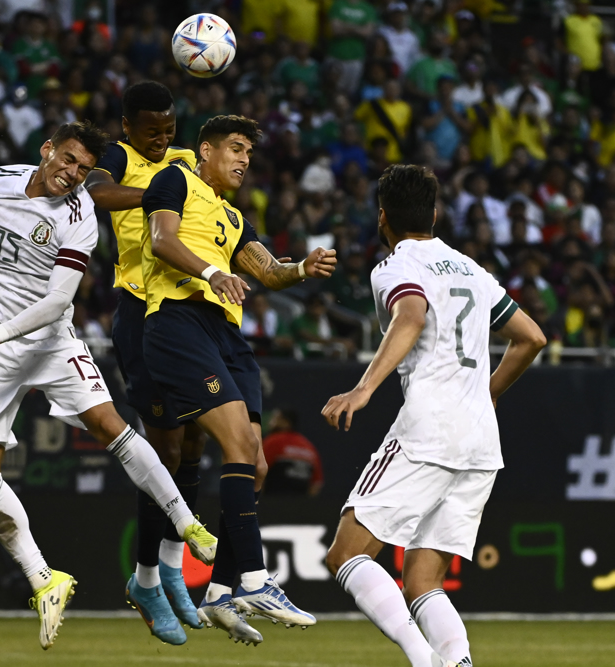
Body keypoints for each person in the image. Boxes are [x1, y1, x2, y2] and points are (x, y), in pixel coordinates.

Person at [0, 121, 216, 650]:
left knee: (108, 423)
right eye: (67, 160)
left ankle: (186, 521)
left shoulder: (81, 217)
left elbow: (57, 303)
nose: (72, 175)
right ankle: (45, 579)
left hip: (45, 340)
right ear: (46, 150)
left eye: (84, 169)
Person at [321, 165, 546, 667]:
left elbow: (411, 315)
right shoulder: (470, 268)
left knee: (346, 554)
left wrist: (363, 388)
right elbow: (532, 337)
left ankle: (424, 662)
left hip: (429, 430)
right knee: (423, 581)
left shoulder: (395, 265)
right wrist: (485, 394)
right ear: (436, 213)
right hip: (481, 442)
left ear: (383, 218)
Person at [141, 114, 337, 643]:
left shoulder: (231, 217)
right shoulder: (176, 179)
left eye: (249, 151)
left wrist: (302, 268)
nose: (244, 159)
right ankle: (253, 576)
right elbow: (161, 240)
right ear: (204, 150)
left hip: (227, 337)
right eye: (235, 147)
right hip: (179, 319)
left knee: (257, 461)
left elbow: (269, 270)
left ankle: (221, 591)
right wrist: (211, 272)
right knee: (234, 444)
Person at [83, 81, 208, 644]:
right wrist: (160, 194)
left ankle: (174, 569)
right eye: (151, 130)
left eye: (169, 129)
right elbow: (97, 194)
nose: (162, 139)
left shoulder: (185, 159)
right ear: (128, 127)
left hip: (192, 308)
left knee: (200, 440)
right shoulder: (120, 158)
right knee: (166, 449)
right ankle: (147, 579)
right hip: (140, 309)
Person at [262, 409, 324, 495]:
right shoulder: (309, 446)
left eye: (274, 419)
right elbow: (316, 484)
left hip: (274, 502)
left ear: (285, 422)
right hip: (300, 505)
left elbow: (259, 470)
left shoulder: (273, 441)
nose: (270, 423)